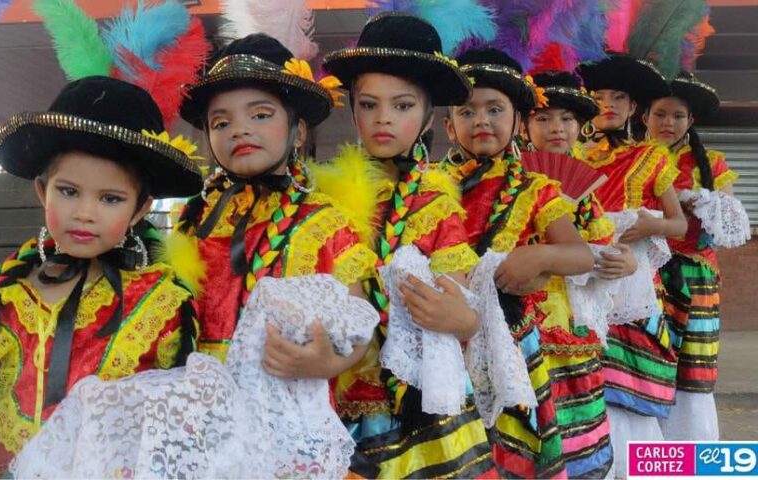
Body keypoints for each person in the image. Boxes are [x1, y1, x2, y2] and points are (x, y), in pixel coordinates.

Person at [0, 75, 203, 475]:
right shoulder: (3, 293)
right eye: (69, 191)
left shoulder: (162, 304)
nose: (85, 212)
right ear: (42, 190)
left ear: (140, 210)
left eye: (110, 198)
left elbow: (180, 432)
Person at [322, 13, 499, 479]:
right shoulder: (322, 196)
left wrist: (457, 316)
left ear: (427, 116)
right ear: (351, 109)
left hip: (421, 404)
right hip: (337, 399)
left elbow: (465, 308)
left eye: (402, 106)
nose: (384, 118)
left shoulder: (437, 198)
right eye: (369, 104)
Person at [175, 33, 378, 377]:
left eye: (260, 115)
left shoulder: (326, 221)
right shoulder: (197, 218)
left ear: (298, 133)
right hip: (208, 409)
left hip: (289, 406)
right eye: (221, 123)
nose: (239, 129)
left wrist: (326, 363)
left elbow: (357, 325)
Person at [442, 47, 594, 479]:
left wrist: (540, 253)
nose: (482, 121)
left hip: (514, 346)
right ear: (448, 126)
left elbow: (581, 255)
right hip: (446, 344)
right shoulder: (430, 185)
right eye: (467, 111)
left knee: (515, 455)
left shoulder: (536, 188)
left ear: (517, 121)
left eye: (495, 109)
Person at [521, 68, 638, 478]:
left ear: (581, 125)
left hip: (575, 323)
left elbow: (606, 244)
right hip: (525, 322)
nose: (557, 128)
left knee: (579, 438)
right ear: (524, 124)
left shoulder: (587, 188)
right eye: (544, 118)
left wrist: (627, 261)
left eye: (567, 119)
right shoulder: (512, 178)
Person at [578, 52, 688, 474]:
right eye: (599, 95)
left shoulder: (651, 156)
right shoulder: (572, 152)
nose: (607, 103)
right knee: (588, 378)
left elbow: (678, 223)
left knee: (630, 382)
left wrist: (648, 225)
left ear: (633, 107)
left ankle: (639, 467)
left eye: (618, 96)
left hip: (634, 287)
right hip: (585, 279)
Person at [643, 71, 749, 441]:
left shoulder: (712, 163)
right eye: (659, 114)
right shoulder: (632, 160)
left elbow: (732, 223)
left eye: (676, 116)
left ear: (690, 121)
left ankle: (691, 454)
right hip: (644, 278)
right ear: (644, 118)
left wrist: (700, 201)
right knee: (646, 362)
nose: (667, 123)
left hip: (696, 278)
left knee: (692, 367)